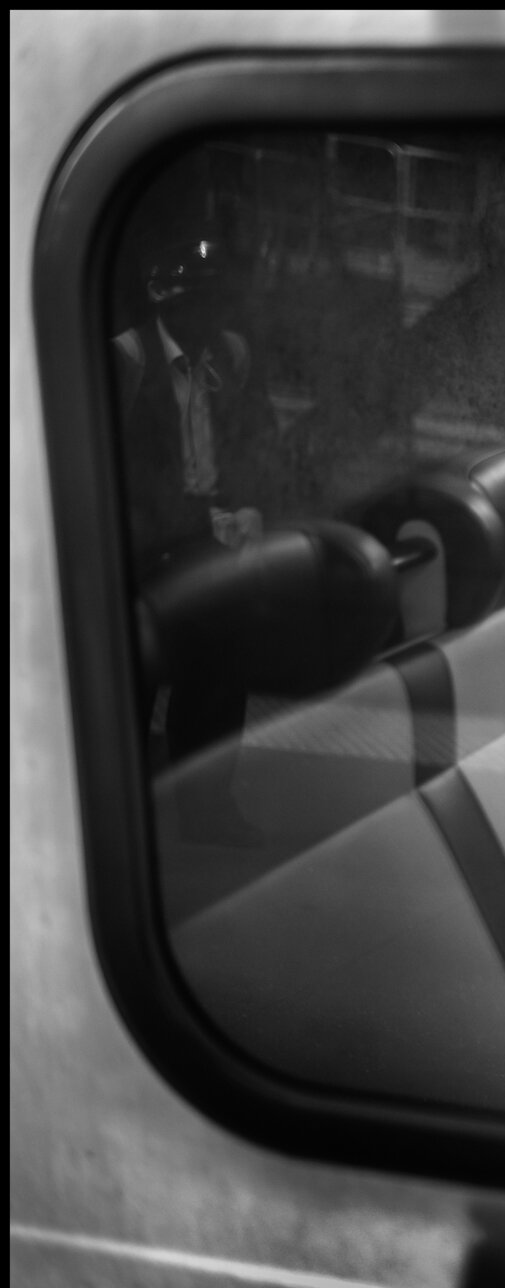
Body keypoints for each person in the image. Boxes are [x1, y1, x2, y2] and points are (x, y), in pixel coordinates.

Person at [112, 234, 280, 842]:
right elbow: (113, 474)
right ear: (163, 298)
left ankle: (207, 805)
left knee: (220, 667)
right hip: (140, 549)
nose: (210, 314)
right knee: (131, 677)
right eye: (196, 298)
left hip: (213, 539)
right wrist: (187, 520)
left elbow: (258, 445)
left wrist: (251, 507)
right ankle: (117, 810)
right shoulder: (126, 361)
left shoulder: (228, 357)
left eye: (216, 299)